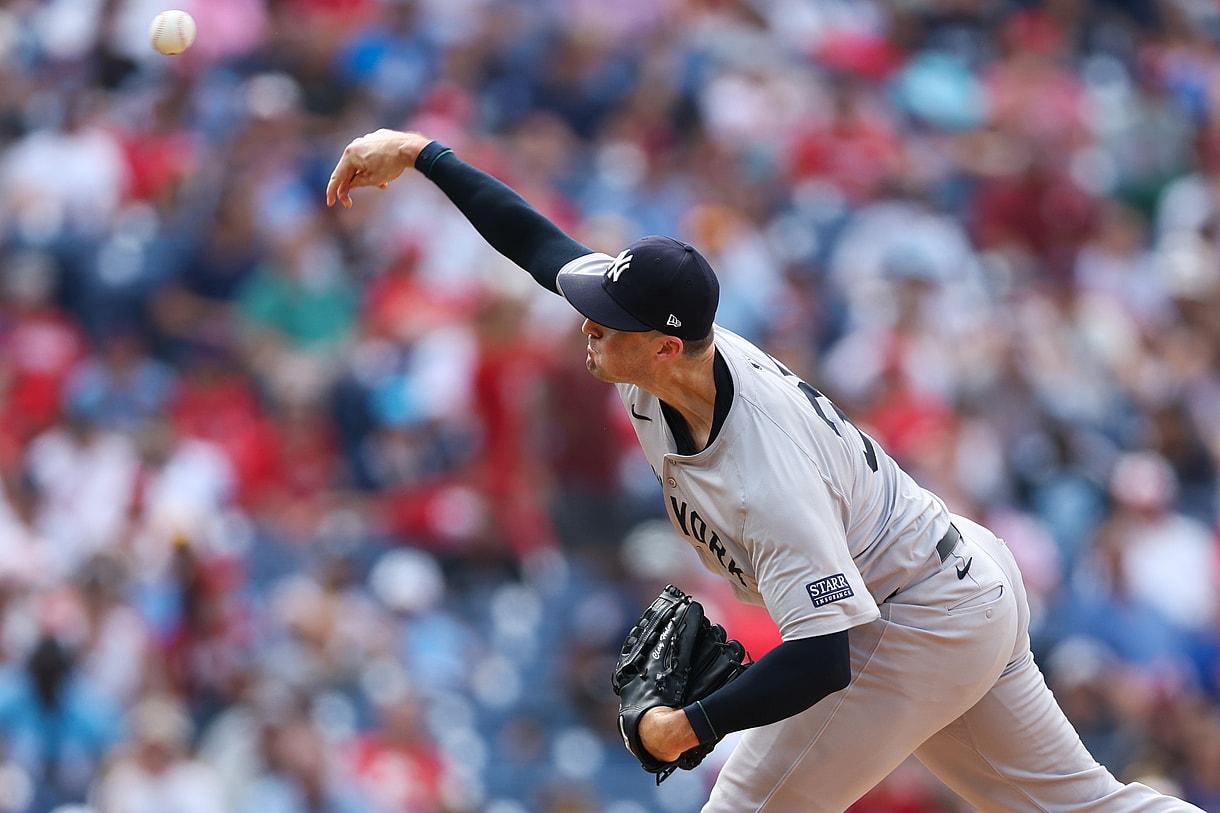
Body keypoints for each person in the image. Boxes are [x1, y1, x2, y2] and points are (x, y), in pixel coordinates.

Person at [325, 129, 1206, 813]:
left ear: (666, 343)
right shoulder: (672, 356)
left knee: (744, 802)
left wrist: (693, 723)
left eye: (607, 321)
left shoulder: (760, 467)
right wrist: (423, 156)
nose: (585, 324)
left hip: (912, 613)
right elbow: (540, 247)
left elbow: (821, 660)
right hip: (950, 577)